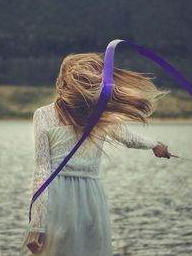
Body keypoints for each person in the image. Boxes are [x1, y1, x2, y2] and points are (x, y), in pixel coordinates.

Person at [22, 53, 171, 256]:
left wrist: (36, 227)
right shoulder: (100, 117)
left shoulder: (44, 115)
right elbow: (129, 139)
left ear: (61, 82)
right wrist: (155, 145)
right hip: (92, 197)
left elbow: (42, 172)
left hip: (58, 197)